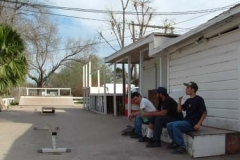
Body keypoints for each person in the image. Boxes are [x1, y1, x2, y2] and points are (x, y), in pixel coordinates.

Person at [166, 81, 207, 154]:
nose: (186, 89)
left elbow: (204, 113)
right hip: (186, 121)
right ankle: (175, 143)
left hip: (192, 123)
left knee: (176, 125)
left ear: (193, 89)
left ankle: (181, 146)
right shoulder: (188, 100)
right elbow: (179, 110)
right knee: (169, 125)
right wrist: (179, 99)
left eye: (188, 88)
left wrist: (198, 124)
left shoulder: (199, 99)